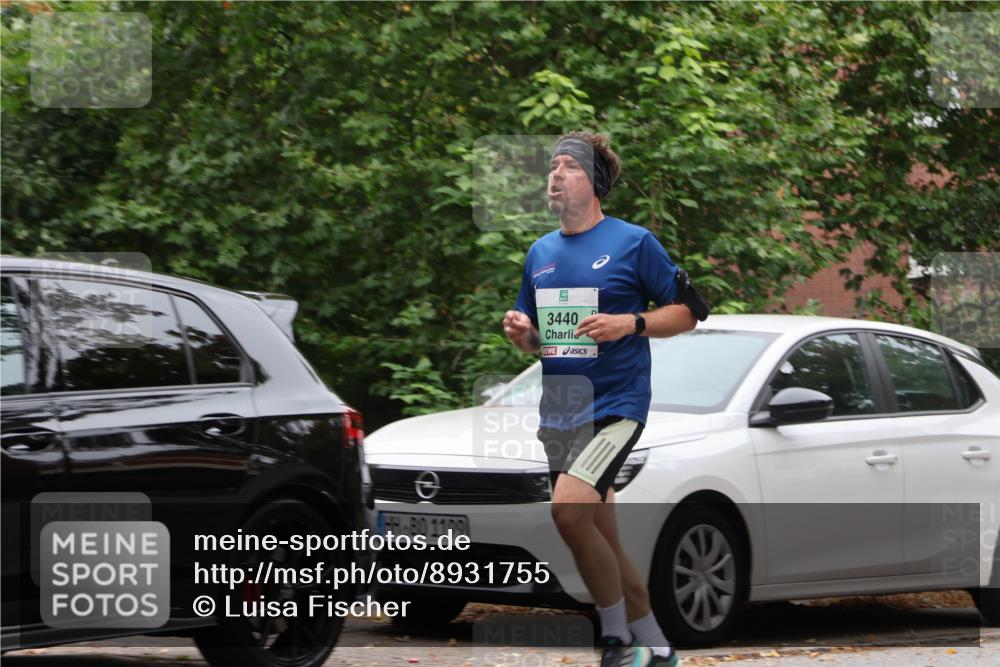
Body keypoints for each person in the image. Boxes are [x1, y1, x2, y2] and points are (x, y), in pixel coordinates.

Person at [503, 131, 706, 667]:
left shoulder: (634, 242)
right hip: (561, 412)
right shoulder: (540, 253)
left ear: (593, 183)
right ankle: (658, 648)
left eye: (568, 165)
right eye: (552, 165)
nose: (555, 174)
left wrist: (631, 323)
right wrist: (522, 332)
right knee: (601, 537)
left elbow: (689, 311)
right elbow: (542, 341)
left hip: (616, 407)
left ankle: (615, 641)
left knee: (569, 513)